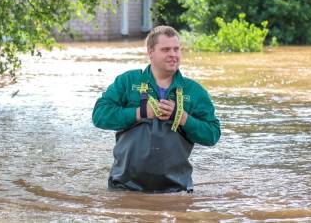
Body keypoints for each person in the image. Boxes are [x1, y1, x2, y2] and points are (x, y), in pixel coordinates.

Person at [92, 26, 221, 193]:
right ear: (150, 52)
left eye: (176, 49)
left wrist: (183, 118)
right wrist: (139, 113)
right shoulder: (127, 81)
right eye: (166, 49)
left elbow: (212, 134)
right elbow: (99, 115)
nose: (173, 54)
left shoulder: (194, 91)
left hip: (176, 191)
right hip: (124, 188)